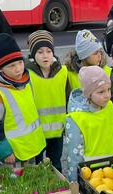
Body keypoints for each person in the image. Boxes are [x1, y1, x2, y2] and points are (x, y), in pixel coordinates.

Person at [0, 33, 46, 166]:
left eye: (20, 63)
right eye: (11, 66)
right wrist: (4, 152)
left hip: (32, 148)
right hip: (12, 155)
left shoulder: (25, 82)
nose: (18, 69)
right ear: (0, 69)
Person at [63, 66, 113, 182]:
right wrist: (75, 183)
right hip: (90, 174)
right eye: (101, 92)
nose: (107, 95)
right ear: (88, 94)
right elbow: (73, 156)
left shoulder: (109, 106)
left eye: (108, 89)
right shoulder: (75, 118)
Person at [26, 30, 69, 172]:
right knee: (37, 166)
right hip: (37, 131)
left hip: (57, 130)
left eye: (48, 51)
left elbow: (68, 97)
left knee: (55, 164)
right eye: (40, 52)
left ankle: (58, 189)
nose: (45, 55)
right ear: (33, 54)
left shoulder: (63, 72)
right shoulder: (28, 74)